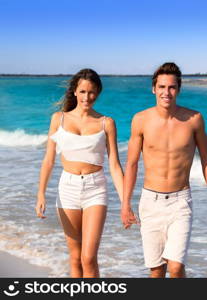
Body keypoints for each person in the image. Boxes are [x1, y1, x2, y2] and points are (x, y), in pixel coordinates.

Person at [122, 62, 207, 278]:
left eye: (172, 87)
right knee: (157, 271)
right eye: (162, 87)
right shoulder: (140, 120)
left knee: (175, 267)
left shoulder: (194, 120)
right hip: (150, 201)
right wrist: (125, 204)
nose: (166, 92)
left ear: (179, 89)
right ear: (154, 89)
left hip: (180, 202)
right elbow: (131, 164)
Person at [36, 69, 124, 278]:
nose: (87, 97)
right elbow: (49, 160)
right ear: (75, 92)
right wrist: (41, 193)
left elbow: (114, 165)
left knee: (89, 258)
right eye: (83, 91)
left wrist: (125, 202)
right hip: (68, 188)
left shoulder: (106, 122)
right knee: (75, 257)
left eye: (92, 92)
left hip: (95, 189)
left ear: (98, 93)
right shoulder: (59, 119)